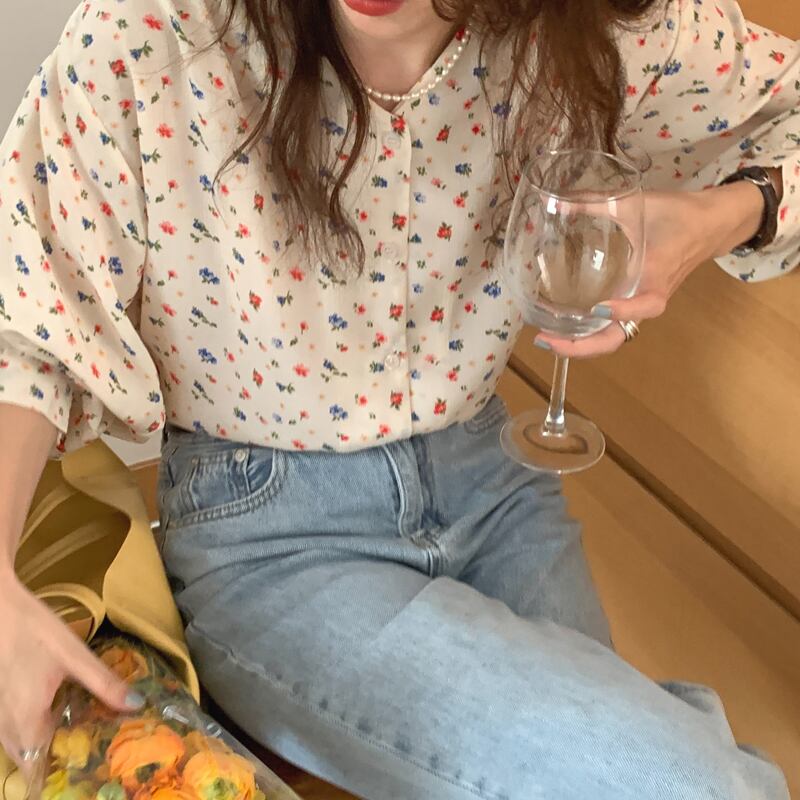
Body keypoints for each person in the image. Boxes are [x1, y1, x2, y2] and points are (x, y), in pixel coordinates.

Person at [0, 0, 797, 797]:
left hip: (495, 485)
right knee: (688, 785)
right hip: (271, 539)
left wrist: (723, 216)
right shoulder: (155, 35)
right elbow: (25, 318)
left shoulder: (587, 28)